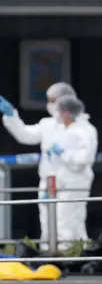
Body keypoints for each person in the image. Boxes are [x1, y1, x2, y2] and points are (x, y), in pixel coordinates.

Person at [0, 82, 79, 251]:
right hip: (47, 183)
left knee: (68, 222)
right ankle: (48, 254)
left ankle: (73, 255)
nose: (49, 104)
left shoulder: (80, 127)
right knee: (47, 222)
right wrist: (12, 116)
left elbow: (81, 159)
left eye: (53, 100)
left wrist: (63, 154)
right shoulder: (47, 125)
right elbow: (25, 135)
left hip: (71, 184)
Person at [47, 95, 98, 251]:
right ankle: (79, 252)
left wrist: (63, 153)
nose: (57, 115)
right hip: (67, 181)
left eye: (59, 111)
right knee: (73, 220)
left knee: (66, 219)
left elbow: (82, 159)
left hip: (76, 181)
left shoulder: (84, 131)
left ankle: (67, 253)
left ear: (67, 113)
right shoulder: (70, 130)